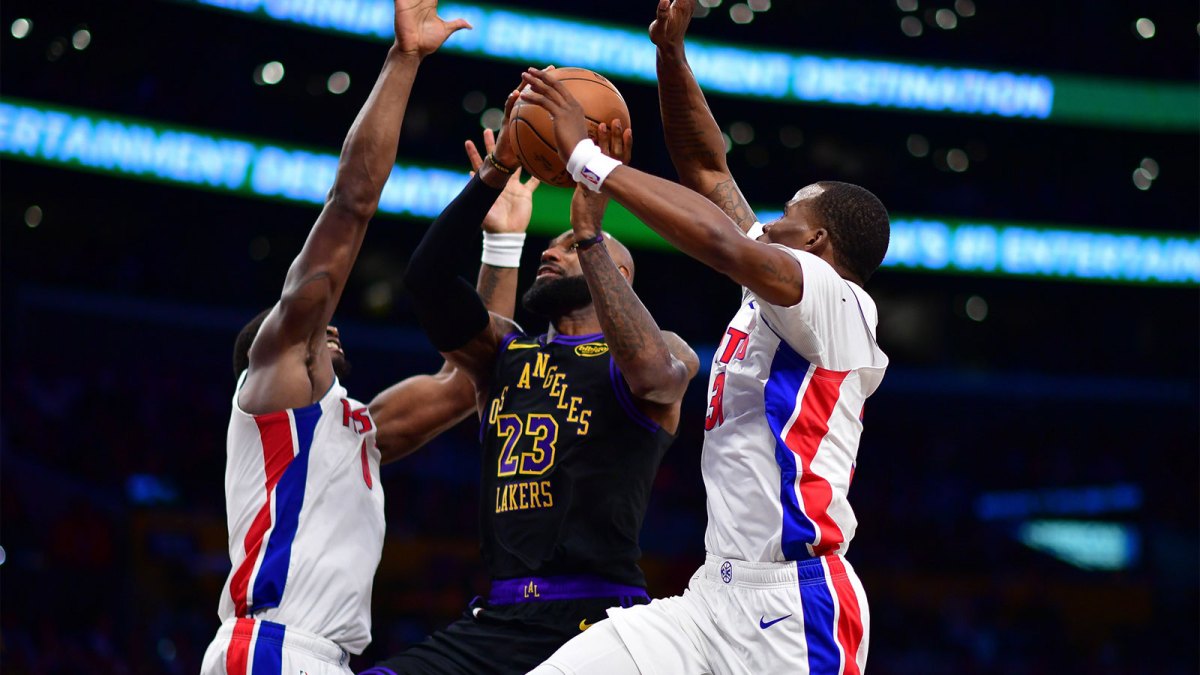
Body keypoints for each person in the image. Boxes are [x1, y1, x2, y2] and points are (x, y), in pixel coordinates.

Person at [519, 0, 892, 671]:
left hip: (795, 607)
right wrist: (670, 55)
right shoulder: (778, 290)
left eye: (786, 216)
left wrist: (584, 157)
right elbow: (707, 171)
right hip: (709, 596)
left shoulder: (842, 305)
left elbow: (723, 241)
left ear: (817, 240)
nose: (768, 223)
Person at [361, 90, 700, 675]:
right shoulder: (505, 354)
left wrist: (589, 232)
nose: (553, 249)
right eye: (553, 245)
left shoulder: (660, 348)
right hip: (497, 619)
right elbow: (427, 279)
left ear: (616, 273)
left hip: (601, 621)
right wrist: (493, 176)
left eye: (565, 247)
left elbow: (656, 377)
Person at [199, 3, 484, 673]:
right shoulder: (272, 390)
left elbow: (473, 379)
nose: (331, 332)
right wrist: (404, 60)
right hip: (271, 644)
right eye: (313, 334)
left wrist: (498, 228)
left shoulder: (357, 428)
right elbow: (351, 204)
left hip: (326, 656)